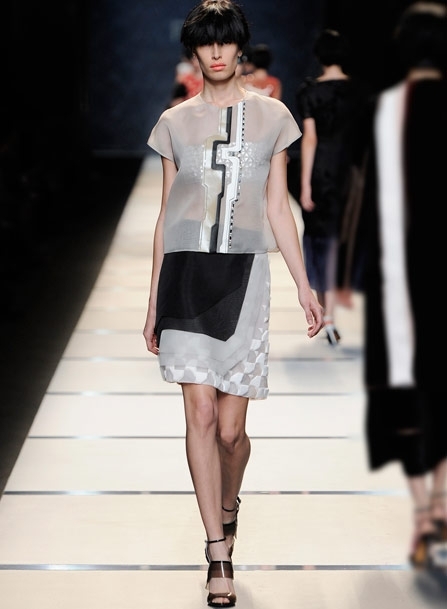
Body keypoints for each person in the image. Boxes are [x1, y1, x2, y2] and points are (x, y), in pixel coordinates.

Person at [142, 1, 323, 606]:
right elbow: (165, 215)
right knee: (198, 414)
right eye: (205, 44)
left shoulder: (273, 116)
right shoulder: (174, 122)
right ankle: (218, 551)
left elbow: (279, 208)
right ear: (194, 52)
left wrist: (304, 285)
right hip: (186, 275)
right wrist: (152, 302)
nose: (215, 53)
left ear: (239, 47)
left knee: (231, 431)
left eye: (224, 42)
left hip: (244, 276)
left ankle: (228, 503)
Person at [346, 1, 447, 569]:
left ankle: (423, 514)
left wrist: (346, 274)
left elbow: (364, 195)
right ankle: (442, 499)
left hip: (397, 274)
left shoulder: (381, 109)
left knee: (400, 388)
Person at [295, 28, 365, 345]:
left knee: (319, 240)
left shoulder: (310, 92)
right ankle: (332, 315)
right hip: (350, 172)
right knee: (339, 240)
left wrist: (305, 184)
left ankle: (325, 313)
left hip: (321, 171)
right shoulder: (358, 91)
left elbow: (310, 138)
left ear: (318, 55)